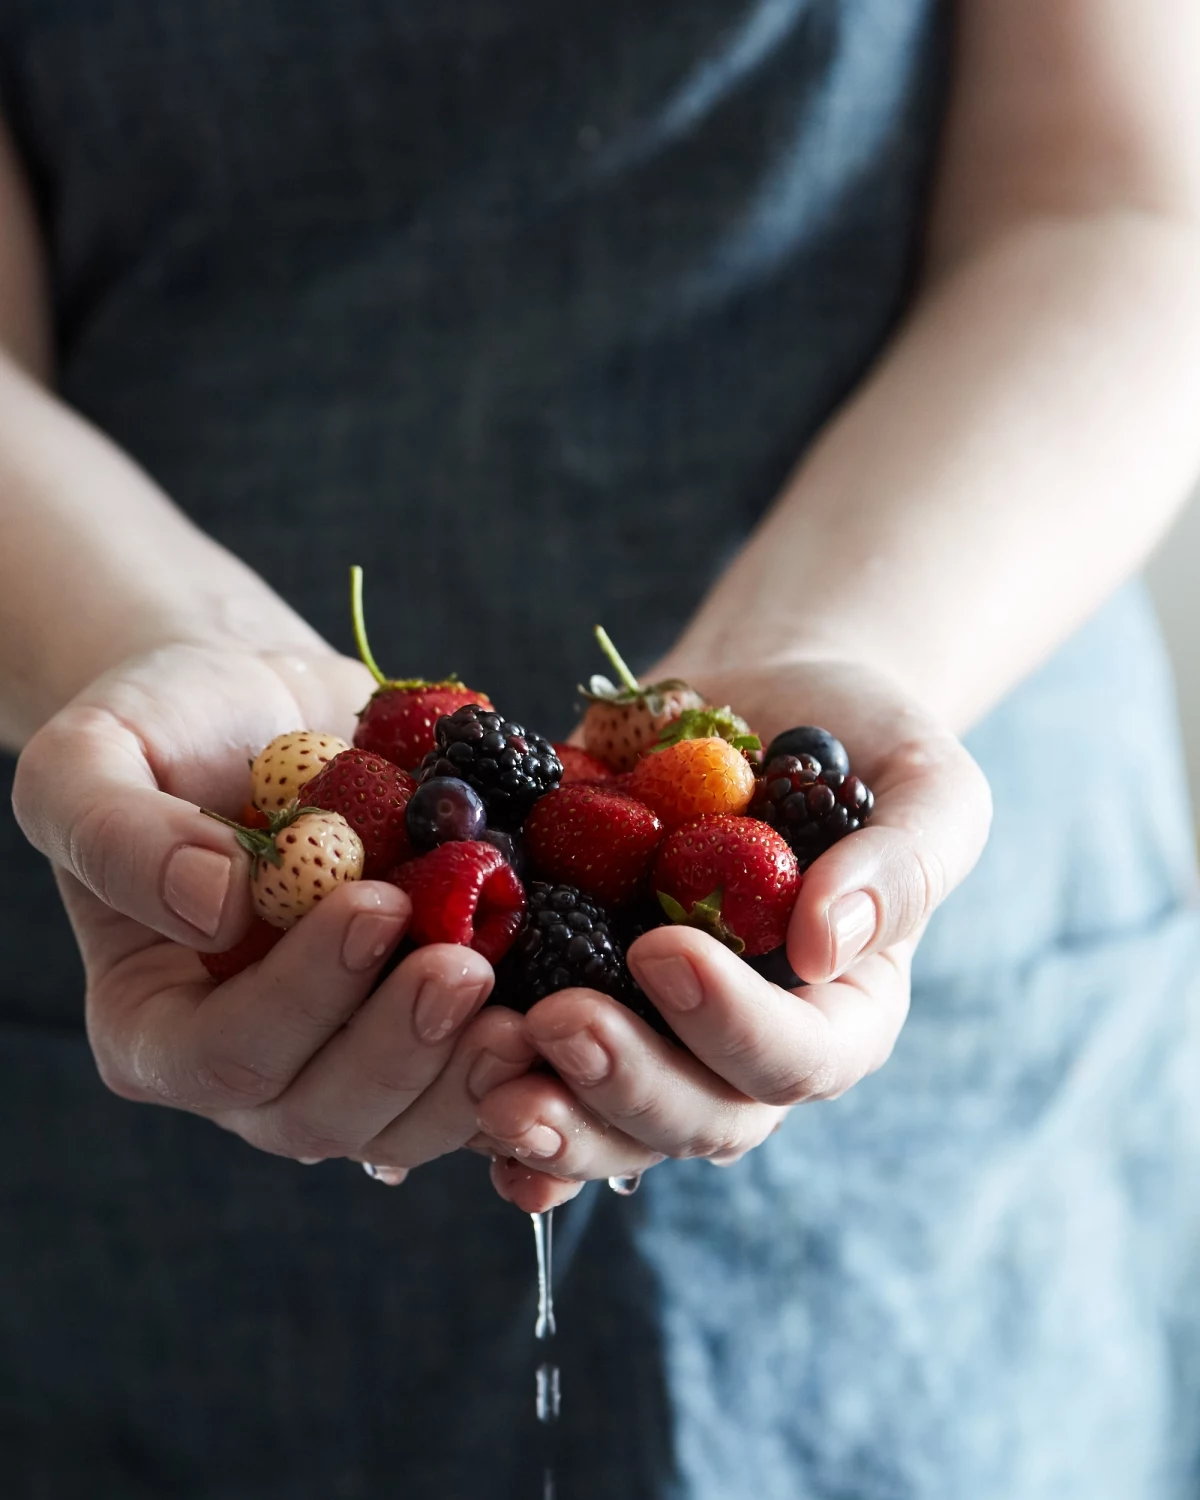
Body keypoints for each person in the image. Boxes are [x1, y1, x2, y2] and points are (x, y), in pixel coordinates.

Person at [2, 1, 1200, 1494]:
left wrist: (857, 654)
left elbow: (1111, 200)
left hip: (956, 901)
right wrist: (129, 637)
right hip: (186, 957)